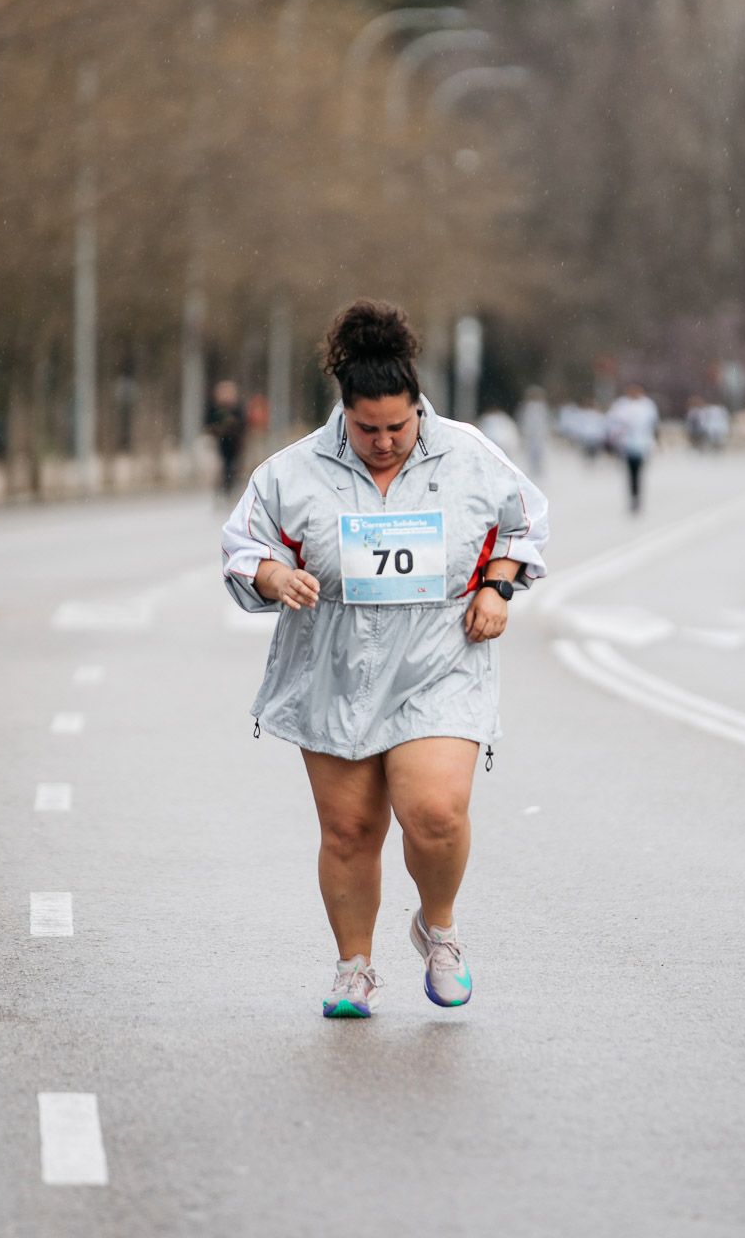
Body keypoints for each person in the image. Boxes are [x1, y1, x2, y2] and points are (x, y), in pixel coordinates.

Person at [221, 300, 548, 1019]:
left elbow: (524, 523)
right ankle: (353, 969)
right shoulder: (293, 470)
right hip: (333, 667)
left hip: (439, 659)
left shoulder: (467, 454)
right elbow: (245, 545)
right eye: (367, 428)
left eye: (397, 427)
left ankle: (439, 930)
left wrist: (497, 587)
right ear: (345, 411)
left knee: (433, 811)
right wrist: (274, 576)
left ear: (417, 407)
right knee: (350, 831)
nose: (383, 441)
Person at [606, 381, 660, 510]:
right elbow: (612, 422)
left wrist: (657, 440)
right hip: (627, 444)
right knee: (631, 472)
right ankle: (633, 496)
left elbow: (654, 424)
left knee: (638, 472)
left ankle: (637, 495)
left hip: (643, 443)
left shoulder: (647, 405)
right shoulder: (621, 405)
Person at [207, 380, 247, 499]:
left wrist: (233, 427)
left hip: (235, 442)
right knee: (222, 466)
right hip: (220, 442)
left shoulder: (237, 408)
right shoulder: (215, 409)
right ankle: (223, 488)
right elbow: (209, 423)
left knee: (232, 466)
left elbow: (243, 424)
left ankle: (230, 487)